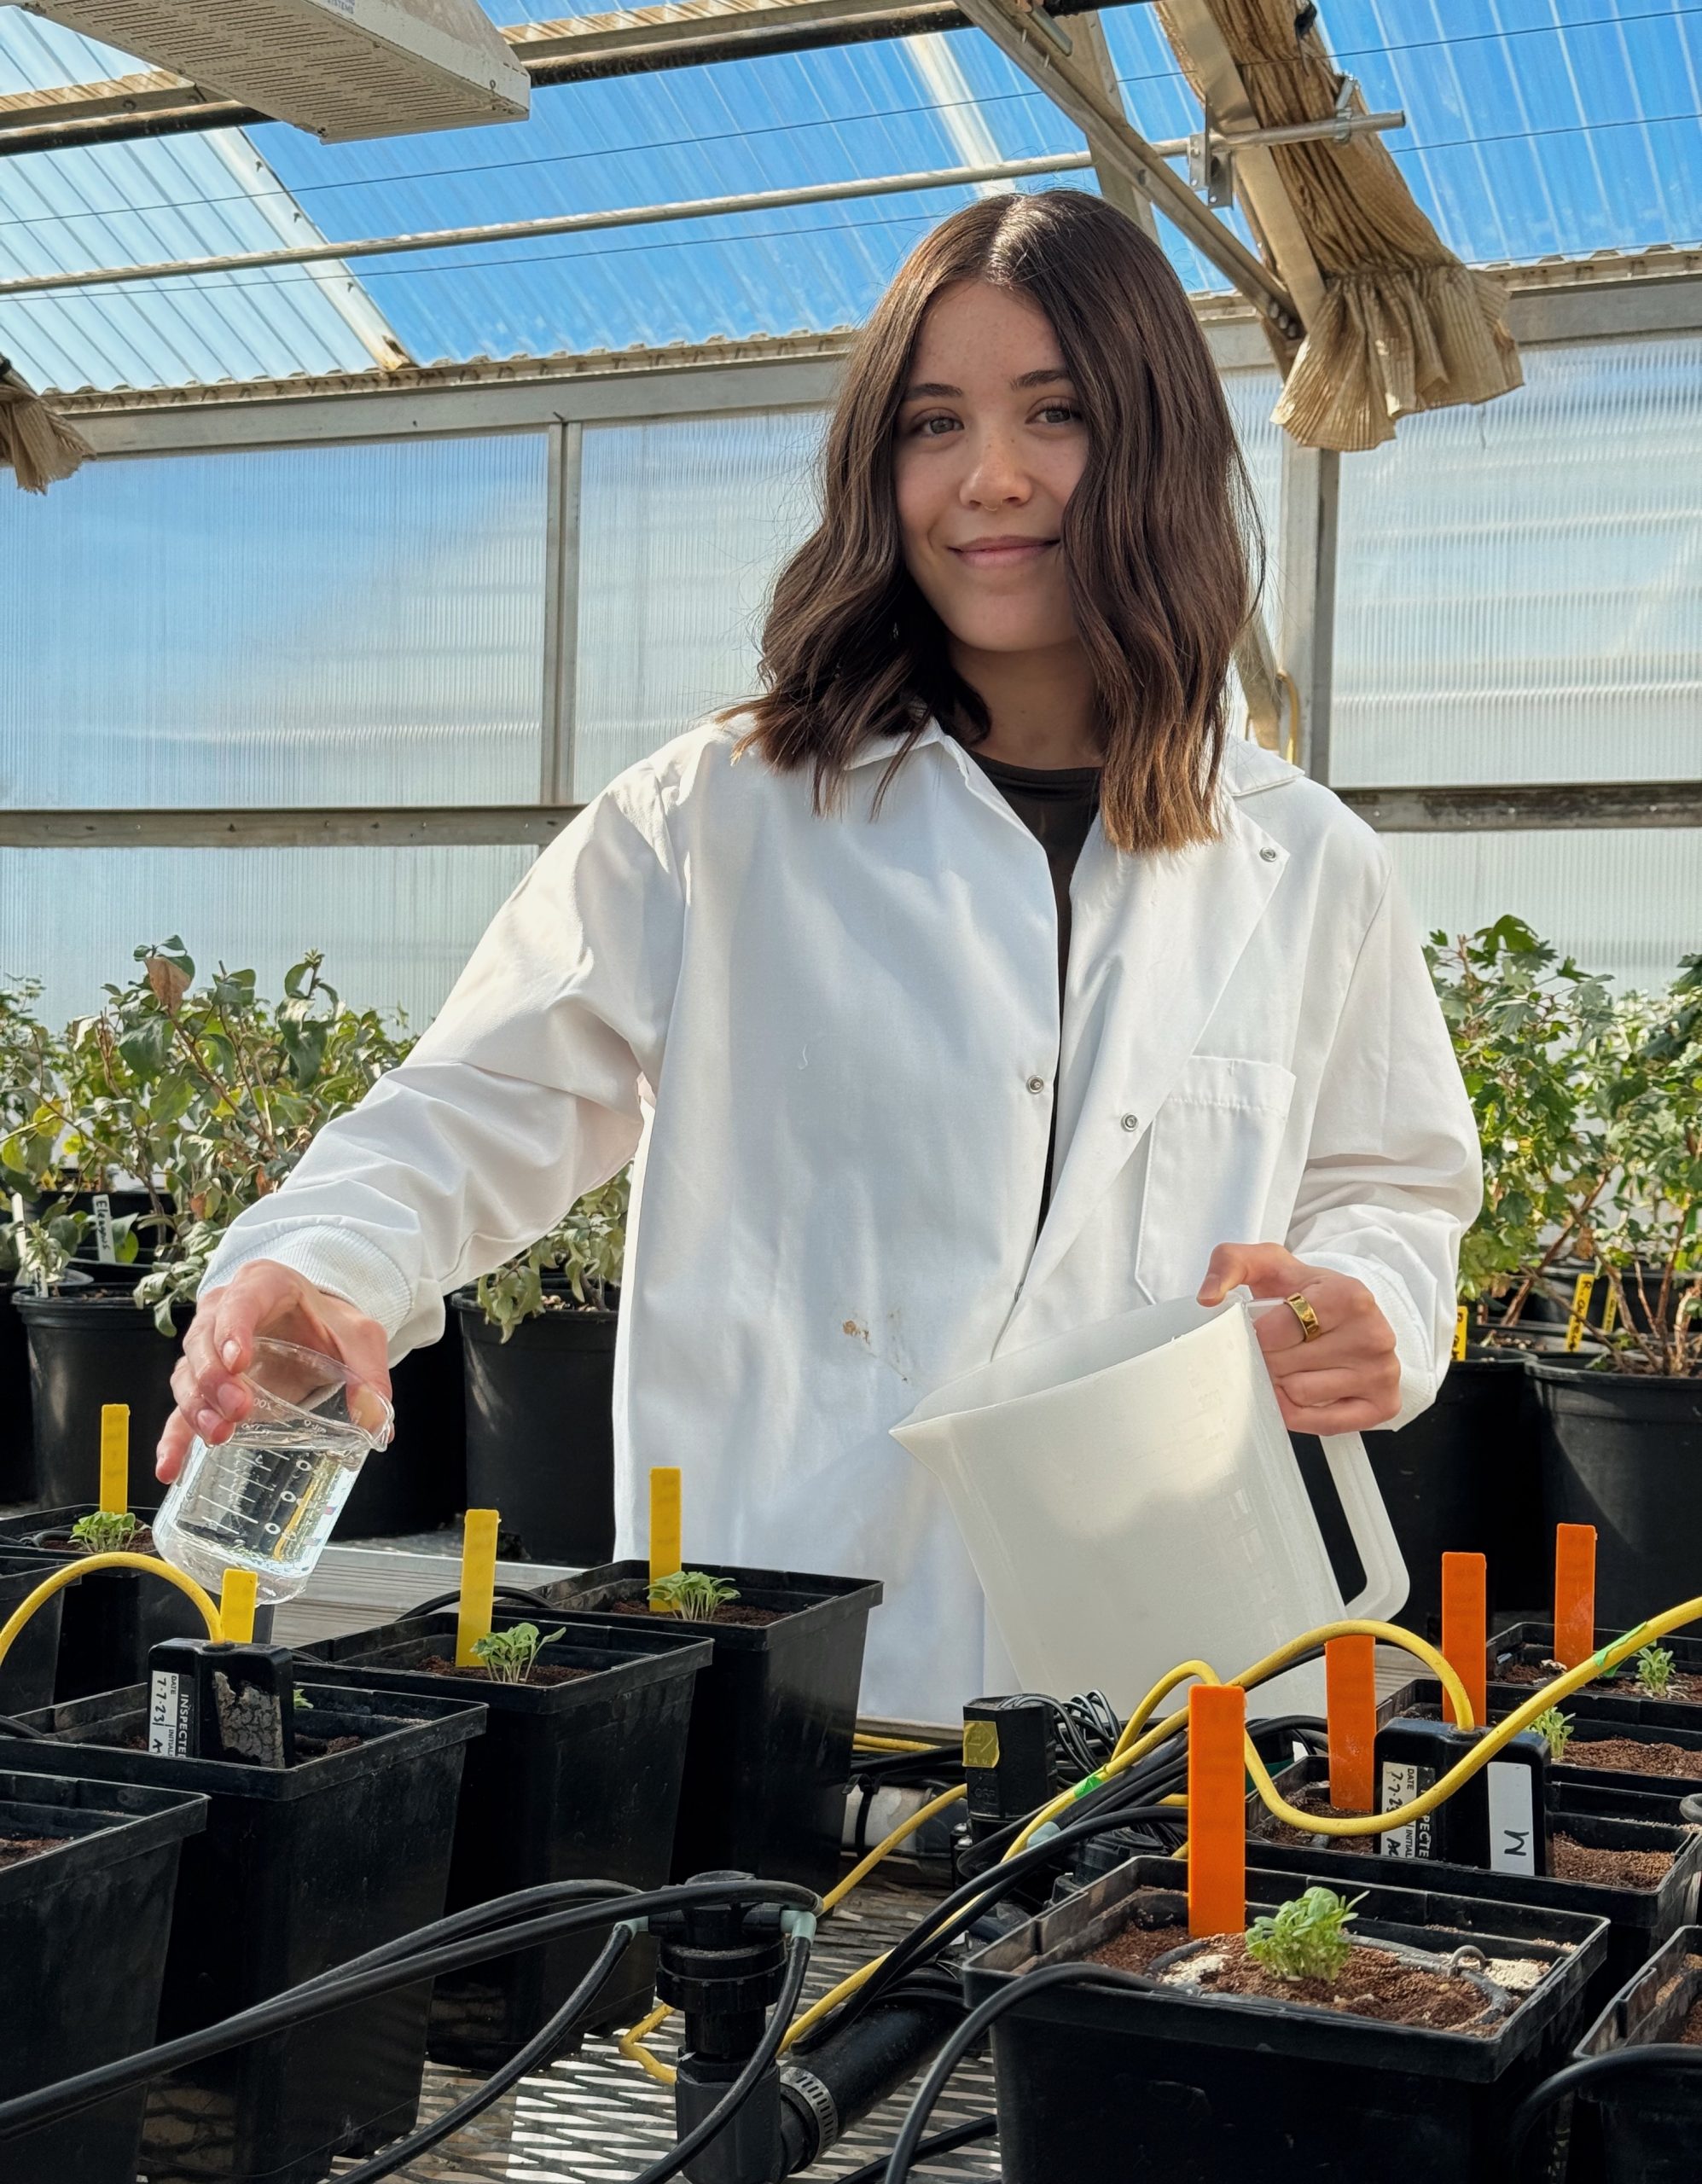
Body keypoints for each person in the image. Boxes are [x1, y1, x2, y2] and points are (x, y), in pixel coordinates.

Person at [159, 190, 1480, 1722]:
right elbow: (479, 1099)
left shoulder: (1306, 860)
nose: (990, 477)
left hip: (1184, 1659)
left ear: (1157, 443)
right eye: (933, 423)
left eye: (1055, 412)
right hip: (805, 1658)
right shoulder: (719, 816)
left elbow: (1394, 1182)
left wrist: (1380, 1298)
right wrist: (322, 1264)